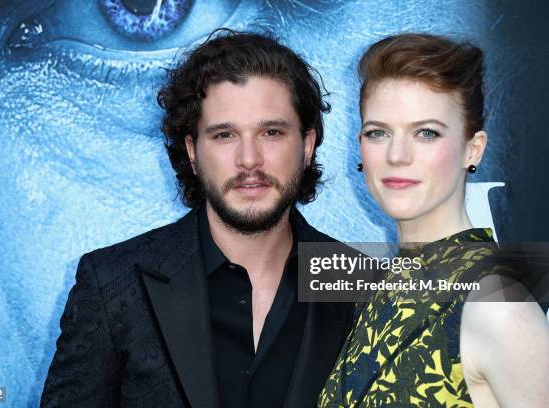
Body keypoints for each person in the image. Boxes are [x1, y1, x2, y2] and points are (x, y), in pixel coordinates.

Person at [41, 30, 358, 408]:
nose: (249, 159)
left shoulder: (364, 285)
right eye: (224, 135)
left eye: (271, 132)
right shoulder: (112, 284)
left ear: (306, 146)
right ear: (192, 152)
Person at [318, 33, 549, 407]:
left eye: (426, 133)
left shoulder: (497, 305)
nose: (396, 155)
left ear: (472, 149)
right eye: (378, 132)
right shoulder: (382, 290)